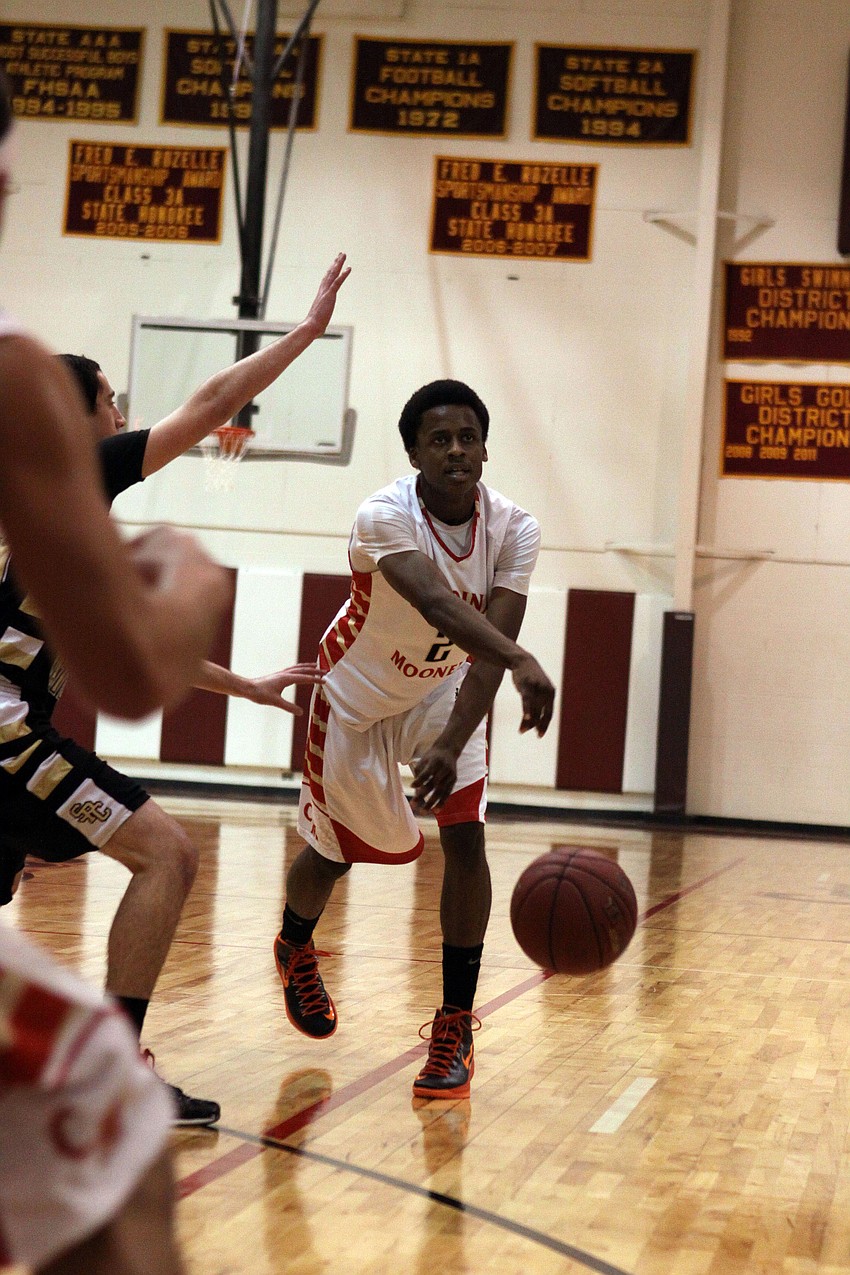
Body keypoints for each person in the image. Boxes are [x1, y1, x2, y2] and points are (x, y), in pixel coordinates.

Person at [0, 254, 350, 1126]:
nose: (122, 414)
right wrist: (304, 333)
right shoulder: (75, 474)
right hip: (5, 734)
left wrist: (252, 687)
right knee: (168, 854)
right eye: (111, 399)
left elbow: (132, 635)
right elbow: (209, 408)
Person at [0, 66, 224, 1275]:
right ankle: (128, 1051)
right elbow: (133, 674)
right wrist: (190, 576)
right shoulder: (22, 392)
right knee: (116, 1169)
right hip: (5, 733)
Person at [274, 378, 555, 1100]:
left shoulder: (514, 529)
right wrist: (524, 660)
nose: (456, 449)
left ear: (485, 447)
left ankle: (454, 1021)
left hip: (442, 693)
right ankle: (295, 943)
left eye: (468, 436)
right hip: (357, 697)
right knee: (337, 854)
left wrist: (455, 734)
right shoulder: (384, 515)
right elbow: (433, 600)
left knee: (466, 837)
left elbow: (491, 645)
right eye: (440, 438)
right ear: (414, 453)